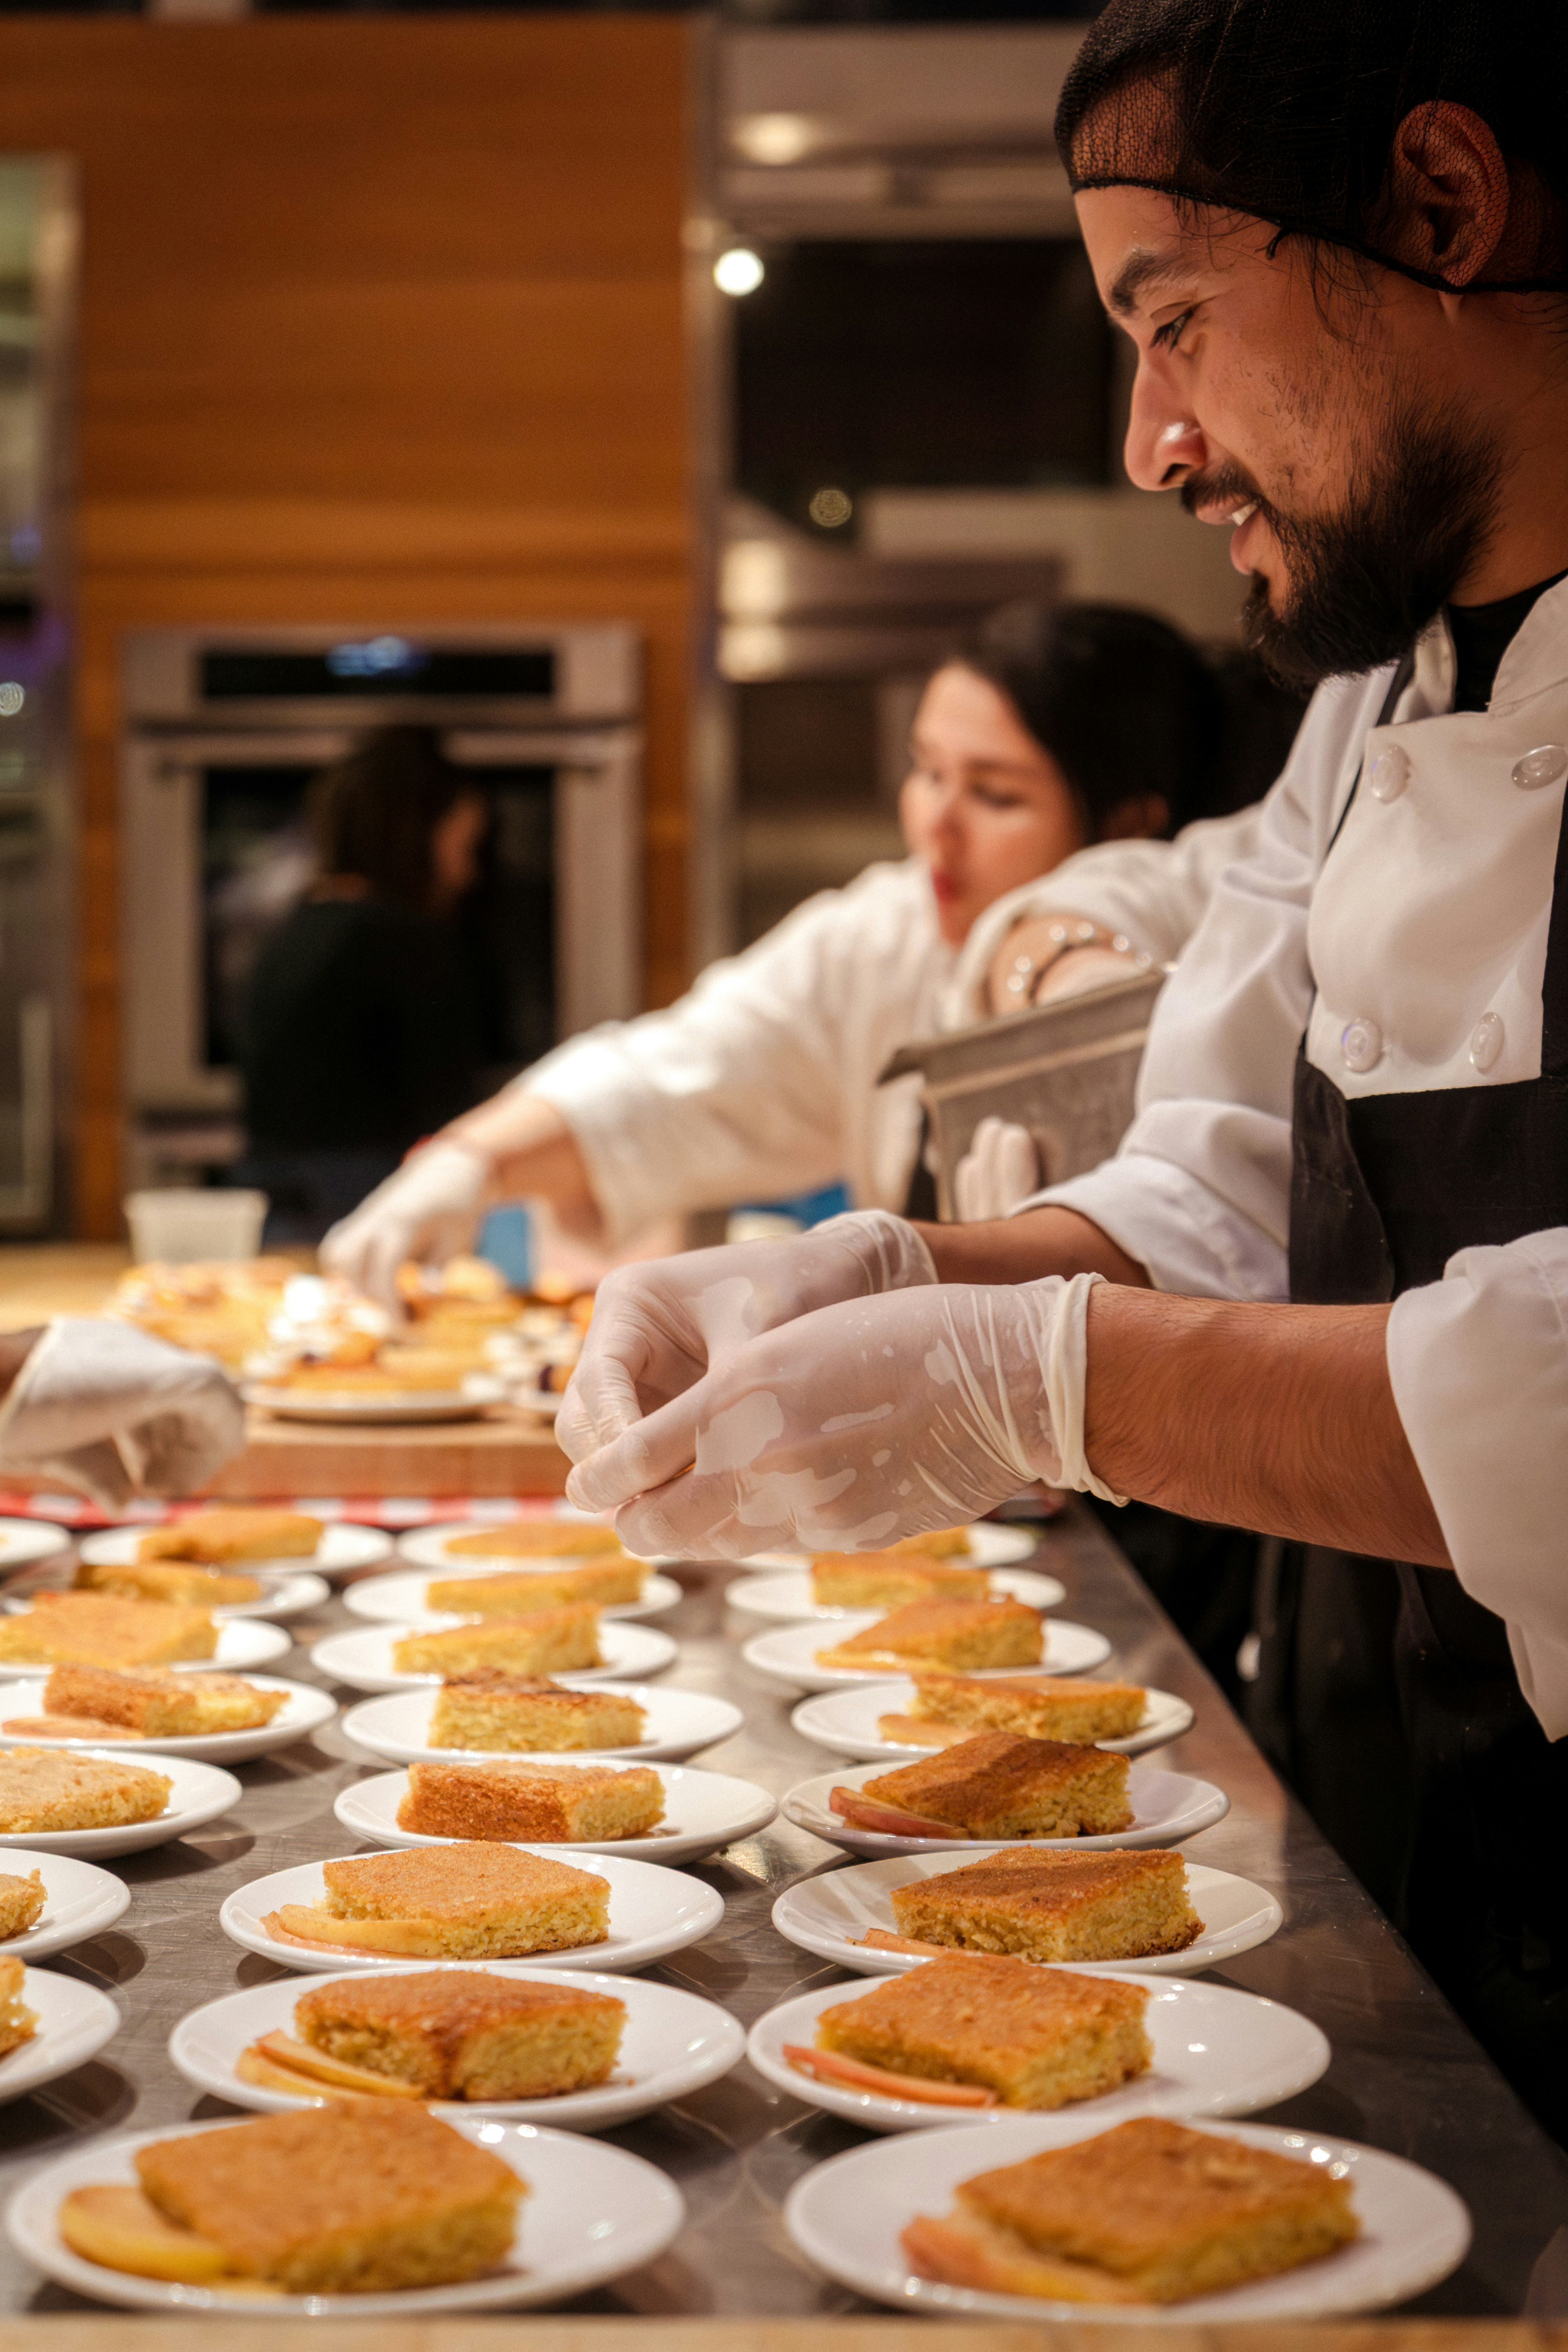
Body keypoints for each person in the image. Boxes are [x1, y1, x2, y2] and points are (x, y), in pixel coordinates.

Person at [558, 0, 1568, 2141]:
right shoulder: (1370, 705)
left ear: (1447, 209)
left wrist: (1050, 1383)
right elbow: (1226, 1166)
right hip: (1407, 1851)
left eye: (1175, 319)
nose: (1151, 442)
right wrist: (904, 1275)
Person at [323, 603, 1280, 1307]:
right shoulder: (883, 931)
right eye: (925, 771)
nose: (932, 826)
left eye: (993, 796)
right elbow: (676, 1074)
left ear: (1130, 822)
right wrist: (462, 1164)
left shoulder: (1203, 923)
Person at [234, 726, 490, 1243]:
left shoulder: (295, 926)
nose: (468, 874)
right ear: (417, 837)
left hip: (272, 1201)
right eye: (463, 847)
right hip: (363, 1202)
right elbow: (450, 1115)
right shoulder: (407, 939)